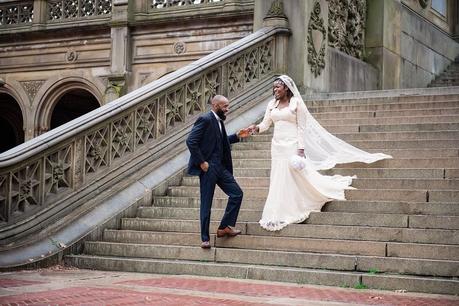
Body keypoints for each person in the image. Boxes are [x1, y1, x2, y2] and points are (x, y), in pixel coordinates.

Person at [247, 75, 392, 231]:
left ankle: (296, 204)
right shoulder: (271, 105)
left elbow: (302, 128)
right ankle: (277, 209)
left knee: (292, 174)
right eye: (273, 87)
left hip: (292, 144)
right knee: (278, 175)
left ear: (286, 88)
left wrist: (301, 149)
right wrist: (255, 128)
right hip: (277, 146)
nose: (274, 90)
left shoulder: (296, 104)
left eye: (278, 87)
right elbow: (266, 124)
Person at [186, 95, 251, 248]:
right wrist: (201, 162)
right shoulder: (206, 119)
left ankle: (224, 227)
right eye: (225, 106)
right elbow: (191, 141)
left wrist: (237, 136)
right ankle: (205, 239)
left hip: (220, 168)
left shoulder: (218, 121)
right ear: (215, 106)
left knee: (237, 193)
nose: (227, 109)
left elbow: (220, 142)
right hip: (208, 168)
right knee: (206, 203)